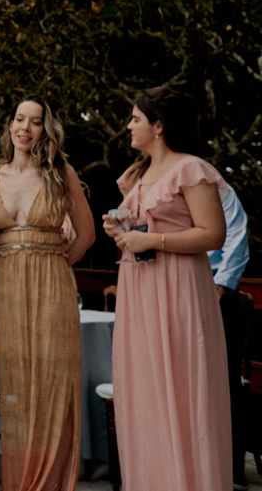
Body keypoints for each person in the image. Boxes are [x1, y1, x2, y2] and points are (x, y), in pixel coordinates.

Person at [102, 86, 232, 490]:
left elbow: (213, 234)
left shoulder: (190, 169)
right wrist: (122, 231)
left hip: (178, 291)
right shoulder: (136, 175)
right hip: (139, 291)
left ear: (158, 126)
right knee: (145, 392)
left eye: (135, 119)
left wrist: (152, 240)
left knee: (180, 388)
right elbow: (145, 229)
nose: (129, 126)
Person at [0, 97, 95, 491]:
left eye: (35, 121)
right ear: (9, 125)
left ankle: (50, 483)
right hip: (6, 287)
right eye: (19, 119)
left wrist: (56, 264)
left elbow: (86, 235)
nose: (25, 128)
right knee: (17, 385)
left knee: (52, 385)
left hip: (52, 284)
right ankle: (21, 481)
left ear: (46, 129)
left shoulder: (62, 173)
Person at [210, 183, 251, 490]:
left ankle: (231, 471)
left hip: (217, 294)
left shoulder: (216, 187)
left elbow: (237, 236)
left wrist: (220, 286)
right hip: (174, 292)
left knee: (225, 383)